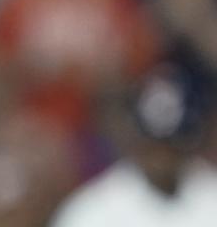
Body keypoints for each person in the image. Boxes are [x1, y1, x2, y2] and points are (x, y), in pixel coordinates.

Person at [49, 62, 217, 227]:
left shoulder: (210, 194)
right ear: (134, 139)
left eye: (173, 146)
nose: (163, 157)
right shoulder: (90, 210)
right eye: (154, 146)